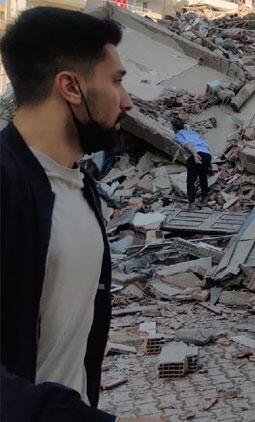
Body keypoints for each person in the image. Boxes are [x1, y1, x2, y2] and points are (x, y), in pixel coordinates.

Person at [0, 7, 158, 422]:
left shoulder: (79, 183)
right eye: (117, 80)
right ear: (71, 86)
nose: (127, 100)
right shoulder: (6, 184)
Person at [172, 119, 212, 209]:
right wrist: (209, 161)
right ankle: (204, 199)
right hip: (207, 154)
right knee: (203, 176)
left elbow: (186, 145)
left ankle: (192, 204)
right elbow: (205, 144)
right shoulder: (193, 133)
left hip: (195, 155)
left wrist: (194, 154)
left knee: (191, 180)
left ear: (174, 128)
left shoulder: (178, 135)